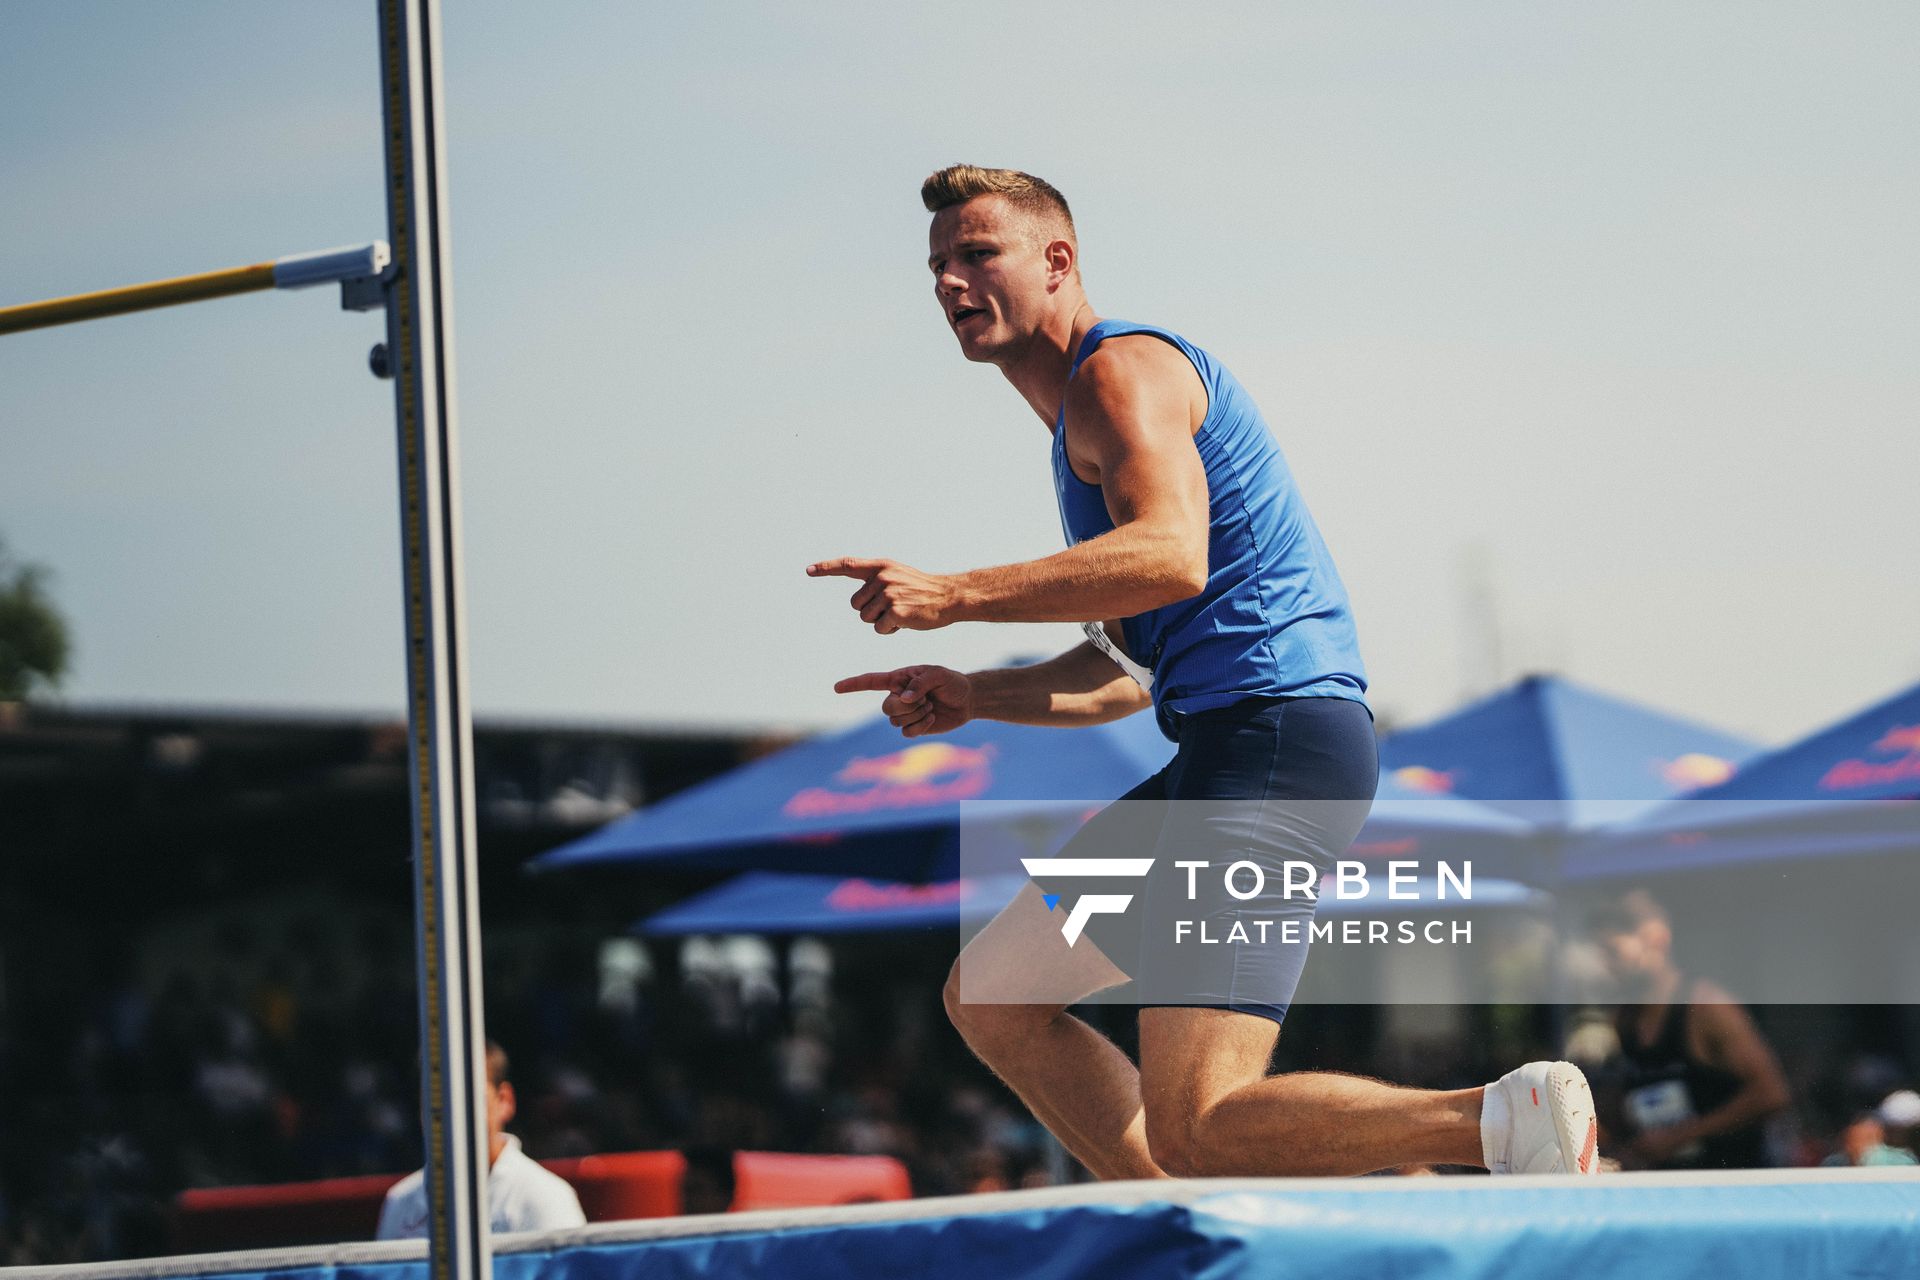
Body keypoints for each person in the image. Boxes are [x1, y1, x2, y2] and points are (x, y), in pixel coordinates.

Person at [809, 165, 1597, 1178]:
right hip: (1223, 753)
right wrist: (979, 693)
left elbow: (1169, 552)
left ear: (1059, 262)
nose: (950, 282)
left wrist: (955, 591)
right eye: (936, 267)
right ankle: (1193, 1222)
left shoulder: (1120, 375)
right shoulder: (1081, 425)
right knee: (997, 993)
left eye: (976, 254)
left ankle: (1500, 1115)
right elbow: (1130, 668)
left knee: (1199, 1118)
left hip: (1272, 749)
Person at [1589, 890, 1790, 1170]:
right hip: (1672, 1185)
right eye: (1602, 953)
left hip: (1732, 1181)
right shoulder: (1626, 1018)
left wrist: (1681, 1135)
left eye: (1614, 952)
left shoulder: (1707, 1007)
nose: (1609, 965)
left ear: (1658, 939)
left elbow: (1773, 1094)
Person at [375, 1042, 586, 1239]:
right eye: (435, 1098)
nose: (450, 1113)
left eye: (467, 1096)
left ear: (504, 1100)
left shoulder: (547, 1198)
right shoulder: (400, 1202)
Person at [1819, 1113, 1919, 1168]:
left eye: (1867, 1139)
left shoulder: (1900, 1161)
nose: (1858, 1146)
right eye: (1853, 1140)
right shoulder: (1833, 1163)